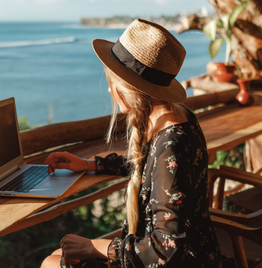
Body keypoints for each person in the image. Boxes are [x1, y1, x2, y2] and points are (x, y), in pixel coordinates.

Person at [40, 19, 222, 268]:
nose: (109, 92)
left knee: (51, 264)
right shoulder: (176, 118)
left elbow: (165, 251)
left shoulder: (172, 146)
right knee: (52, 260)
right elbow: (152, 170)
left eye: (112, 84)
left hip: (176, 261)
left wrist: (95, 246)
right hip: (194, 253)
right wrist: (88, 164)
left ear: (129, 89)